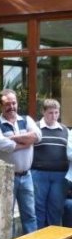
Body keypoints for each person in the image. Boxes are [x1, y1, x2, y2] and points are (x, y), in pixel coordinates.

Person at [0, 89, 46, 239]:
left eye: (13, 103)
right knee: (7, 217)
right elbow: (2, 145)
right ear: (0, 106)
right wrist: (26, 142)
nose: (11, 106)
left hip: (26, 176)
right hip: (6, 179)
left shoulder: (27, 120)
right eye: (7, 104)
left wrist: (14, 138)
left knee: (30, 215)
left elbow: (38, 136)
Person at [31, 99, 72, 231]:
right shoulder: (35, 128)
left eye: (56, 113)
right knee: (39, 206)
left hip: (60, 176)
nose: (54, 116)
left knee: (56, 207)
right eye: (50, 113)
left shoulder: (65, 130)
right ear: (43, 112)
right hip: (38, 173)